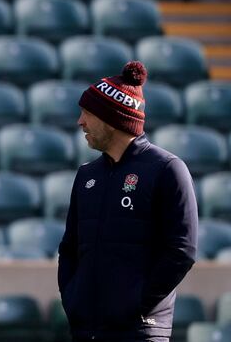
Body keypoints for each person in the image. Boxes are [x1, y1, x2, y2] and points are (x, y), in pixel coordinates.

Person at [58, 61, 199, 342]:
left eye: (87, 113)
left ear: (112, 118)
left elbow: (182, 251)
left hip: (139, 331)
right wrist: (73, 300)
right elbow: (70, 249)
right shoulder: (87, 175)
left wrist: (135, 305)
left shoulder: (167, 169)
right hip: (86, 331)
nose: (80, 121)